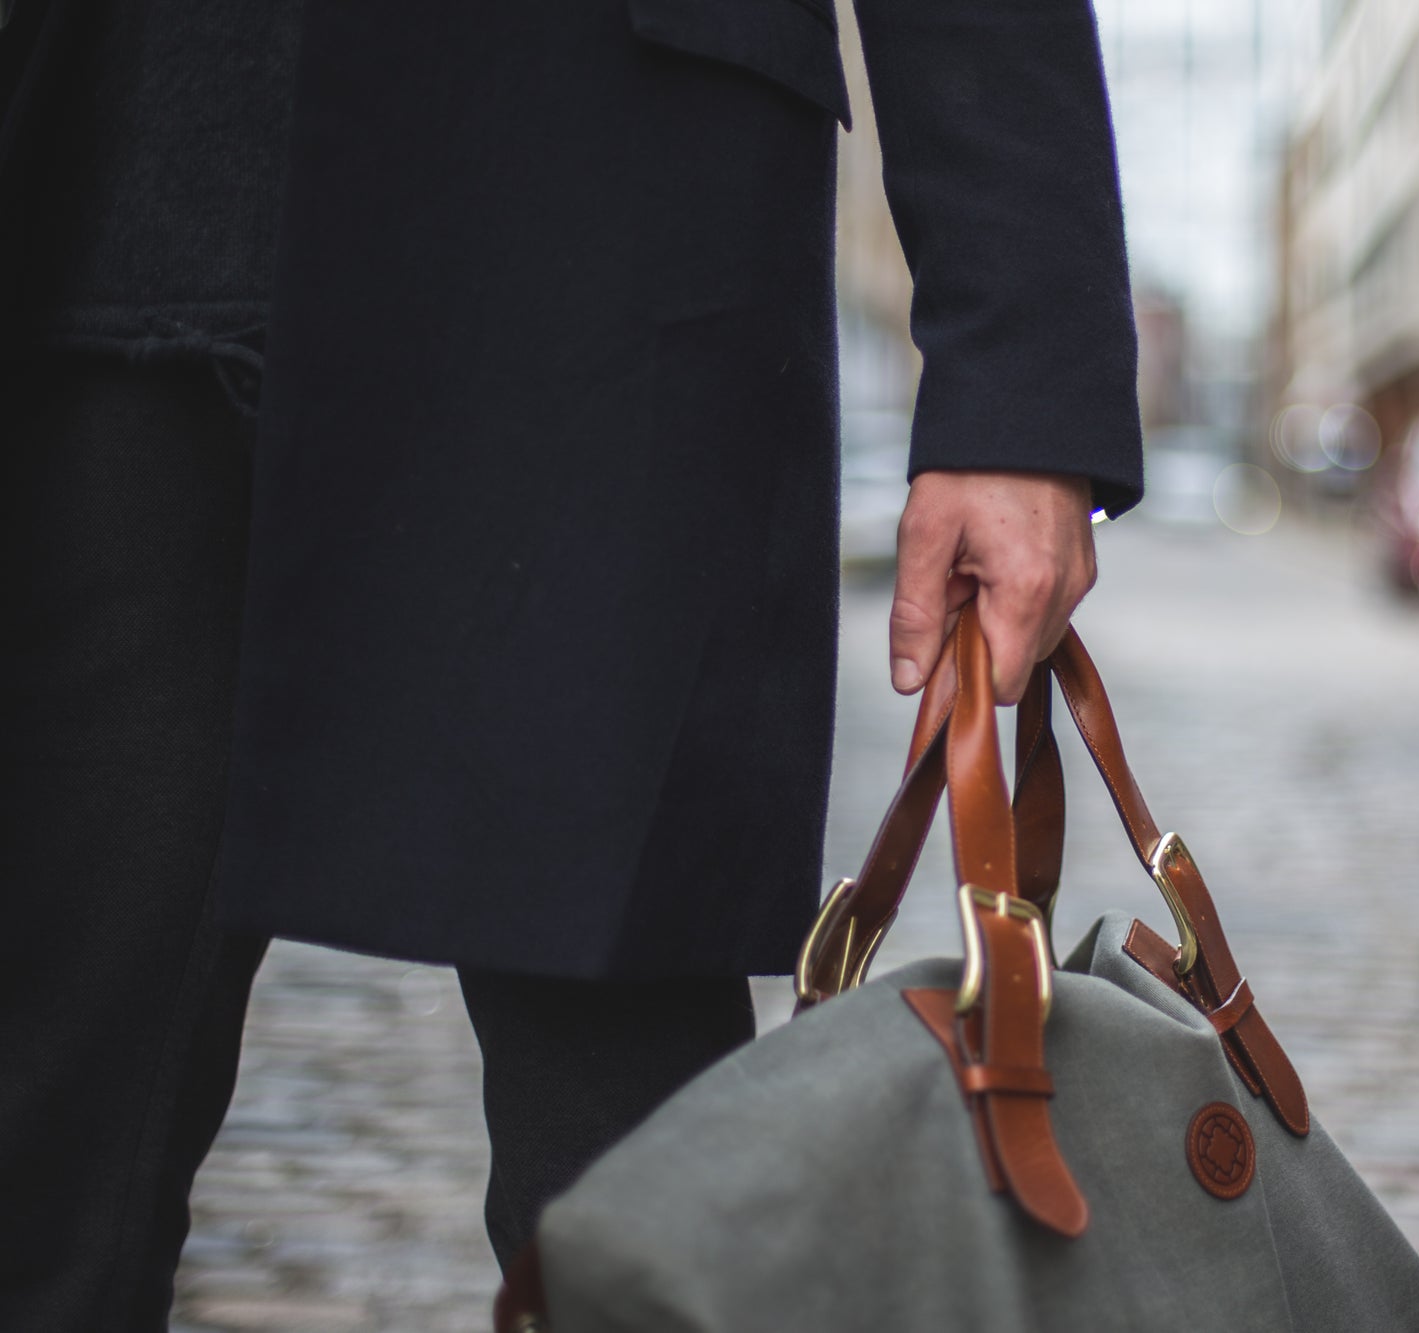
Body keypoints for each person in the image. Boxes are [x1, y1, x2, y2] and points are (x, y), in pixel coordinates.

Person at [0, 0, 1143, 1325]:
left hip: (607, 208)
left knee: (627, 1191)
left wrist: (1021, 385)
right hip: (122, 187)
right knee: (41, 1146)